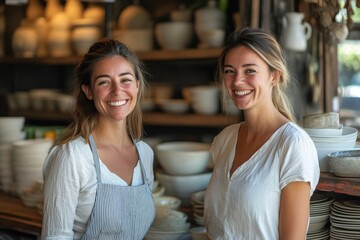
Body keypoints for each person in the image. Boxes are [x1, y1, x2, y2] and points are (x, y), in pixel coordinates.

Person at [204, 27, 320, 239]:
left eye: (250, 70)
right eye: (230, 71)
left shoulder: (293, 145)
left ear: (274, 76)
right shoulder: (224, 140)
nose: (237, 81)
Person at [41, 39, 155, 239]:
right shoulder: (73, 157)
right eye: (104, 82)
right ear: (88, 91)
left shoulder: (145, 154)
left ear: (137, 85)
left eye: (125, 79)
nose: (117, 90)